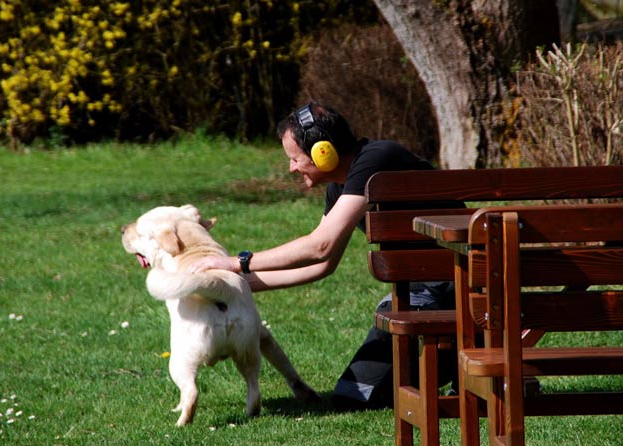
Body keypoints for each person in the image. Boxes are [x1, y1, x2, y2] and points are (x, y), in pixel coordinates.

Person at [188, 102, 458, 410]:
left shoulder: (377, 159)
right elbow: (322, 265)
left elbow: (320, 245)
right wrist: (235, 284)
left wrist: (237, 263)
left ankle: (459, 356)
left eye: (294, 158)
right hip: (418, 294)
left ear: (323, 152)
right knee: (352, 397)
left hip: (460, 282)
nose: (292, 168)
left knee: (365, 391)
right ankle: (451, 361)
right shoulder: (339, 188)